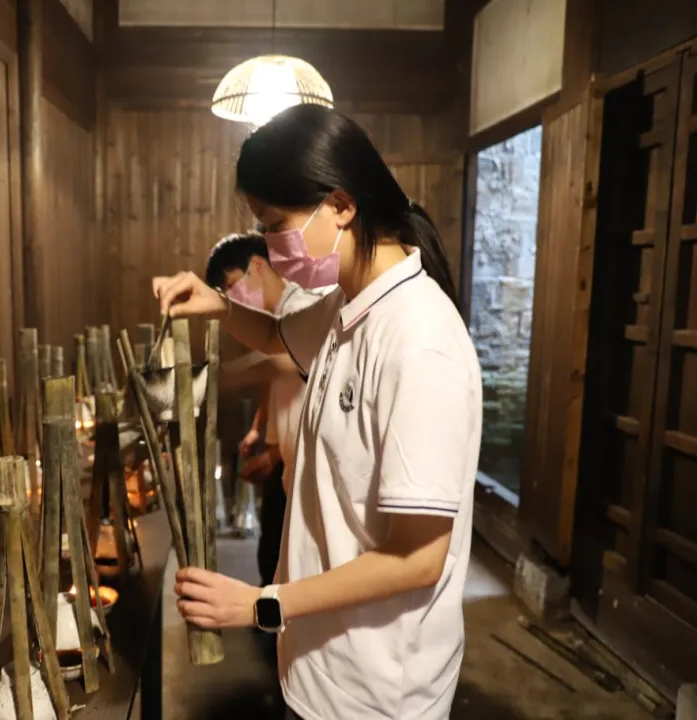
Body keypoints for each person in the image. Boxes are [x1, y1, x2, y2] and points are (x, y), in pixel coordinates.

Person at [153, 104, 482, 720]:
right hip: (320, 666)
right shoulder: (348, 305)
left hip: (378, 691)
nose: (273, 248)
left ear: (341, 204)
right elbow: (277, 334)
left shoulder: (420, 341)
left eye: (275, 225)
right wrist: (217, 304)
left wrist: (260, 604)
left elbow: (419, 558)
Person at [205, 231, 324, 591]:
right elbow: (278, 380)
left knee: (290, 569)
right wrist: (260, 427)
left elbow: (285, 362)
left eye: (232, 286)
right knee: (272, 558)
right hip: (288, 463)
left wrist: (215, 379)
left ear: (257, 266)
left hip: (309, 471)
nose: (234, 299)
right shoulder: (278, 317)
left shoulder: (304, 306)